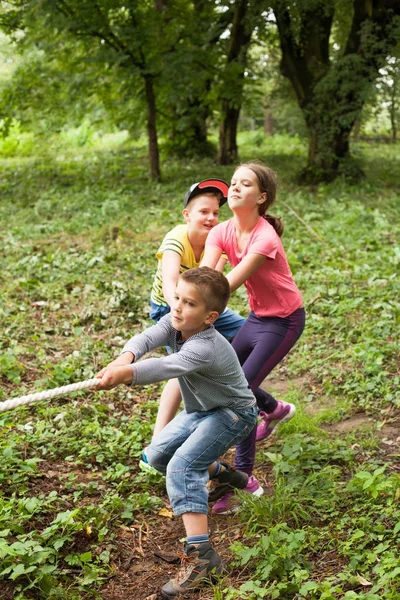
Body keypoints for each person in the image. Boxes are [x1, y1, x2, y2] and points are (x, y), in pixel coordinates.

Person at [96, 267, 257, 597]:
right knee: (156, 456)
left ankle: (202, 558)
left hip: (233, 414)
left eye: (190, 304)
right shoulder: (175, 322)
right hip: (200, 411)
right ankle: (220, 473)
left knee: (182, 467)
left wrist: (127, 373)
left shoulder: (206, 345)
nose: (179, 308)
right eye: (177, 299)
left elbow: (167, 367)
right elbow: (147, 339)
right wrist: (124, 357)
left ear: (210, 316)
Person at [201, 160, 306, 514]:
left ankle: (240, 482)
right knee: (227, 378)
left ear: (261, 197)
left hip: (285, 321)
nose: (234, 188)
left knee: (239, 394)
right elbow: (206, 276)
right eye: (233, 182)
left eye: (244, 184)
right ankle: (275, 409)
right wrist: (185, 305)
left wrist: (200, 306)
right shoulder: (221, 232)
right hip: (258, 317)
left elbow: (226, 285)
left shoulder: (265, 236)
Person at [147, 178, 245, 439]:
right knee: (180, 369)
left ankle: (231, 390)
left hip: (202, 308)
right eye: (203, 212)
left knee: (247, 332)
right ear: (187, 215)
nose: (211, 218)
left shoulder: (219, 242)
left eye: (215, 212)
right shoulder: (177, 238)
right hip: (169, 306)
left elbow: (213, 285)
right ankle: (158, 438)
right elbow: (170, 280)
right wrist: (178, 311)